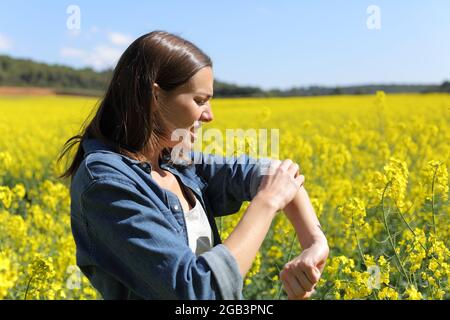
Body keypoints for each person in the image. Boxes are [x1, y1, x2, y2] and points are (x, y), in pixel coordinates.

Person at [58, 30, 329, 300]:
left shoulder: (174, 163)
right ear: (155, 97)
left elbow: (276, 174)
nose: (210, 115)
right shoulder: (105, 183)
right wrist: (267, 202)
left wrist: (315, 244)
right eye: (199, 100)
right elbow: (198, 292)